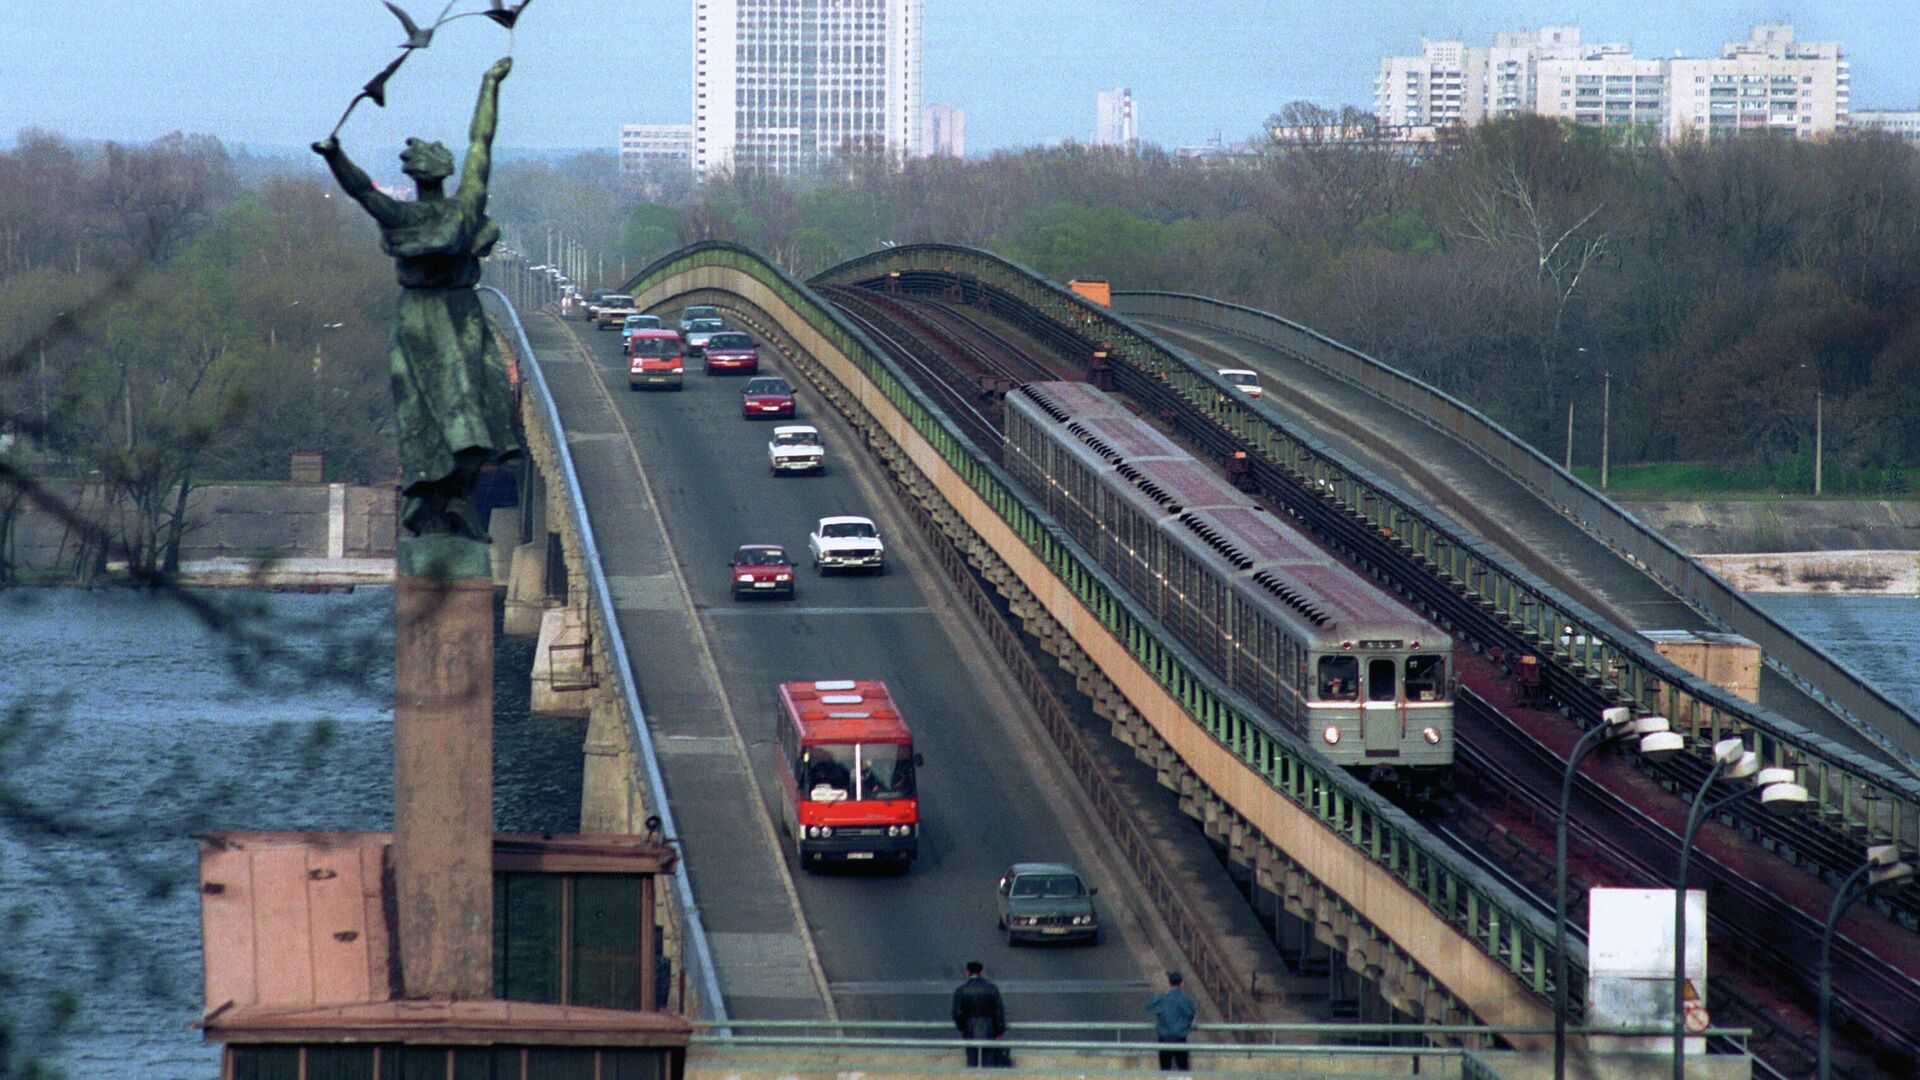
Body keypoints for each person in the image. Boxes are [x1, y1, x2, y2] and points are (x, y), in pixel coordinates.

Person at [312, 57, 520, 540]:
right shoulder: (441, 212)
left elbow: (365, 190)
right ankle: (441, 501)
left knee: (463, 406)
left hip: (442, 313)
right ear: (437, 171)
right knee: (449, 412)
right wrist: (489, 86)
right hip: (438, 315)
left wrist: (334, 155)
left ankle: (449, 501)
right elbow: (479, 145)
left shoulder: (429, 214)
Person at [951, 960, 1008, 1067]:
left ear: (967, 972)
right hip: (989, 1029)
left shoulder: (961, 990)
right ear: (981, 972)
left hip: (970, 1030)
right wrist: (999, 1031)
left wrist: (963, 1026)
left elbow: (957, 1013)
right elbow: (998, 1011)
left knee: (972, 1060)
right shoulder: (992, 989)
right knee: (989, 1062)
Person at [1146, 971, 1195, 1071]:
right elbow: (1191, 1014)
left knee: (1165, 1069)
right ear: (1182, 983)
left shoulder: (1162, 999)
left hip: (1165, 1039)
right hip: (1180, 1039)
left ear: (1169, 983)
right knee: (1183, 1068)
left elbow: (1149, 1006)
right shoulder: (1187, 1000)